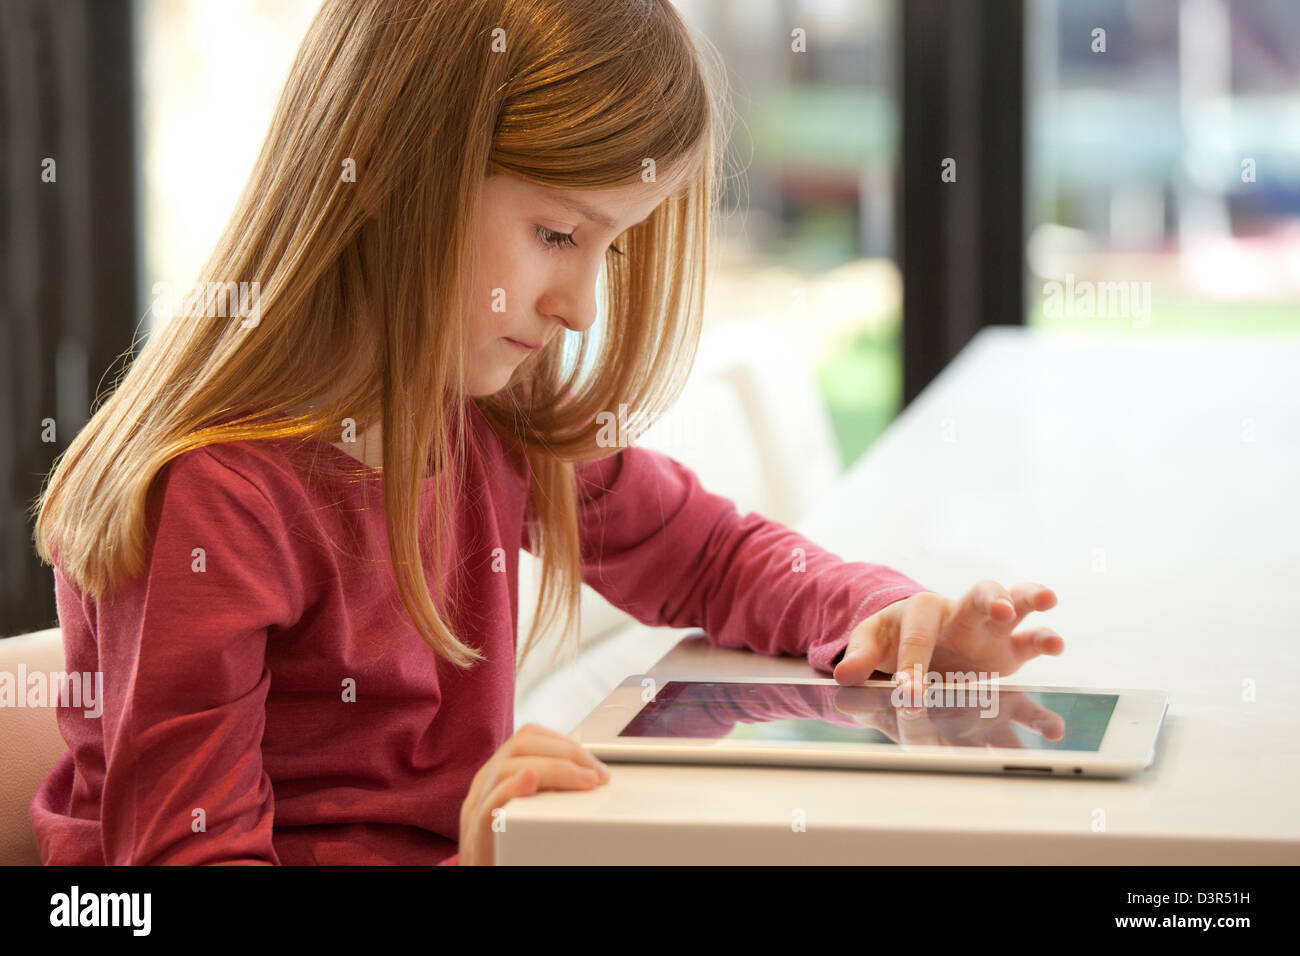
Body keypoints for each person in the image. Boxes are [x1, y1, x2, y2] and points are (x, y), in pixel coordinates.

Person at [29, 0, 1062, 866]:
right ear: (390, 172)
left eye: (607, 248)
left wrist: (884, 616)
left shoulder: (488, 422)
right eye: (558, 234)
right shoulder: (218, 499)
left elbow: (711, 555)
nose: (577, 304)